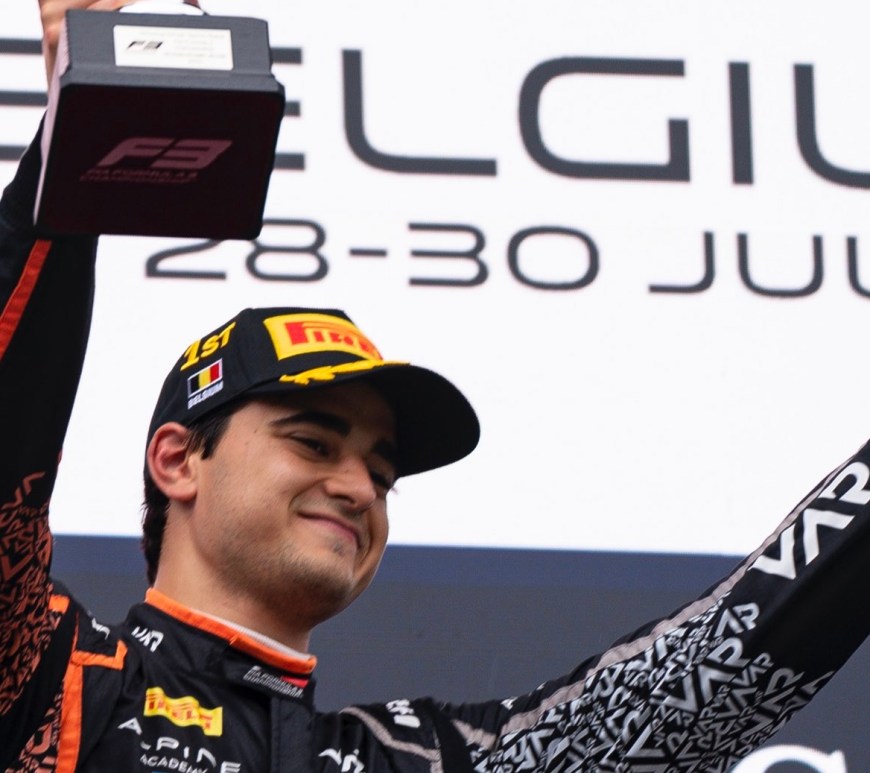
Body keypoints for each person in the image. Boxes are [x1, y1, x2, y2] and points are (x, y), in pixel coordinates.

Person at [2, 2, 869, 771]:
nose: (357, 487)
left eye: (382, 472)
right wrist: (68, 170)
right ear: (178, 459)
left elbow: (700, 682)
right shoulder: (57, 678)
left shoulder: (414, 757)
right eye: (313, 441)